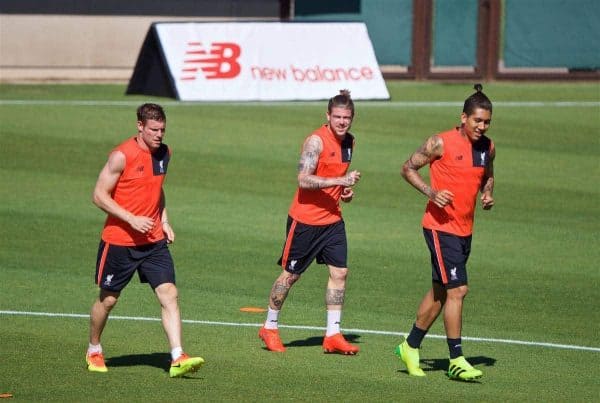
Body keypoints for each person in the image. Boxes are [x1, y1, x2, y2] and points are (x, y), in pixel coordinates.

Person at [86, 103, 204, 378]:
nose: (159, 134)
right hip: (120, 241)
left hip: (153, 241)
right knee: (108, 300)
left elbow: (156, 190)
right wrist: (131, 219)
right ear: (139, 126)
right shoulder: (121, 156)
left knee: (169, 294)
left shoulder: (164, 153)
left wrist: (164, 221)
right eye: (153, 129)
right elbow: (99, 195)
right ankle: (94, 348)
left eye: (162, 129)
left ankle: (177, 356)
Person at [395, 84, 495, 381]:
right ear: (463, 117)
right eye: (477, 120)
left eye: (487, 121)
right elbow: (407, 168)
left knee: (441, 291)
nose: (482, 126)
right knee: (458, 290)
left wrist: (487, 194)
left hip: (465, 230)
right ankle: (456, 358)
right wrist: (431, 191)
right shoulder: (440, 142)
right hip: (440, 228)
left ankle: (410, 346)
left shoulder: (487, 147)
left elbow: (487, 176)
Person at [258, 90, 362, 355]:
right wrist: (340, 181)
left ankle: (333, 334)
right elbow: (304, 179)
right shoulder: (316, 142)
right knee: (291, 275)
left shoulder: (349, 142)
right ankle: (269, 327)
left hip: (333, 221)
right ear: (327, 116)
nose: (341, 122)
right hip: (305, 220)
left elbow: (336, 179)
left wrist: (345, 191)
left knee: (340, 272)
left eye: (346, 117)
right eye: (337, 117)